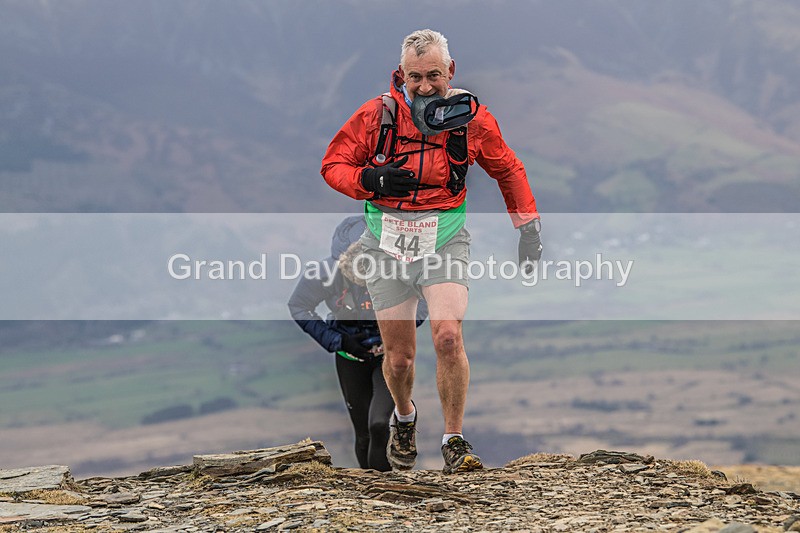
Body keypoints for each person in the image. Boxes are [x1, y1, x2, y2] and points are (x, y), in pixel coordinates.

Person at [320, 29, 542, 474]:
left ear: (451, 72)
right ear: (401, 74)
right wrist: (373, 180)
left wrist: (528, 228)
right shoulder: (376, 117)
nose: (424, 86)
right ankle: (405, 417)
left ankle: (454, 440)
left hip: (444, 239)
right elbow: (333, 165)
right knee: (399, 359)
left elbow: (508, 168)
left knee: (446, 334)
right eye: (415, 76)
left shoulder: (471, 120)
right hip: (385, 245)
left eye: (434, 76)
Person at [287, 215, 428, 472]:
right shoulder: (325, 273)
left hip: (389, 357)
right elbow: (299, 306)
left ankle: (385, 487)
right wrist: (340, 340)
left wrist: (399, 333)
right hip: (349, 357)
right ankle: (369, 492)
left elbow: (424, 299)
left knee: (378, 425)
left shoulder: (399, 269)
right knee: (363, 434)